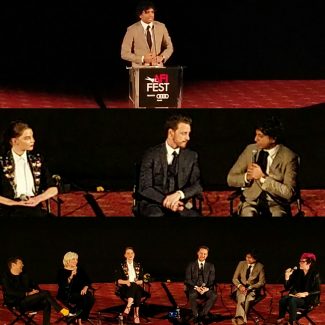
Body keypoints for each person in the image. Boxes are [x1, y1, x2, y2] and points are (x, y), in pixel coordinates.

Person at [227, 116, 299, 217]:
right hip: (251, 202)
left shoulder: (289, 157)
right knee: (249, 215)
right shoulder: (250, 150)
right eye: (256, 135)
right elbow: (230, 178)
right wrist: (246, 177)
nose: (255, 139)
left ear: (273, 138)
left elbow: (289, 193)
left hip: (276, 204)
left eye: (260, 136)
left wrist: (263, 178)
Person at [138, 114, 202, 217]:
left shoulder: (191, 156)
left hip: (180, 203)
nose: (188, 138)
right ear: (171, 133)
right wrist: (167, 201)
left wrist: (179, 194)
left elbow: (197, 185)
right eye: (184, 133)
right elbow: (145, 187)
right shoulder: (151, 154)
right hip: (153, 203)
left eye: (189, 133)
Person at [0, 120, 58, 217]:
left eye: (32, 137)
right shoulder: (1, 162)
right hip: (8, 209)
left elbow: (53, 188)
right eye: (27, 138)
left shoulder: (37, 160)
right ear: (14, 141)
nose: (33, 140)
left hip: (34, 206)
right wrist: (14, 203)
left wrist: (37, 199)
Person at [2, 257, 72, 325]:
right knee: (45, 293)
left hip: (27, 301)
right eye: (20, 263)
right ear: (13, 265)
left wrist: (36, 291)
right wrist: (27, 293)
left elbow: (34, 285)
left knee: (46, 302)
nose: (23, 265)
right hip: (16, 303)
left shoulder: (24, 275)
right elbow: (10, 292)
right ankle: (62, 310)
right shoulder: (6, 277)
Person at [121, 1, 173, 67]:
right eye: (147, 12)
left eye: (152, 12)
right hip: (139, 70)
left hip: (158, 69)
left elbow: (169, 47)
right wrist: (142, 58)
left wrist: (162, 57)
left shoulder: (161, 27)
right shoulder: (131, 29)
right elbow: (124, 53)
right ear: (140, 15)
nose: (151, 15)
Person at [277, 252, 321, 325]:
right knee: (283, 300)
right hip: (296, 296)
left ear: (309, 263)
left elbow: (318, 291)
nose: (299, 263)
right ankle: (281, 317)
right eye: (300, 261)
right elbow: (287, 287)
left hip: (308, 299)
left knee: (292, 300)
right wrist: (287, 277)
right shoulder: (297, 273)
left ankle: (292, 321)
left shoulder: (315, 274)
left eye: (302, 261)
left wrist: (306, 293)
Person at [57, 251, 95, 325]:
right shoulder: (61, 271)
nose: (76, 261)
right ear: (68, 261)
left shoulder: (80, 269)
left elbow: (88, 280)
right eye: (73, 259)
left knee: (91, 298)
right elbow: (63, 285)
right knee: (83, 299)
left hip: (81, 291)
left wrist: (85, 288)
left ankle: (82, 317)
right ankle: (78, 319)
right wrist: (71, 276)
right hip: (68, 293)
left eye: (76, 259)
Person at [231, 250, 266, 325]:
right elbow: (234, 278)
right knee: (242, 296)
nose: (247, 259)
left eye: (249, 258)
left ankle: (239, 320)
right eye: (246, 257)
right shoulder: (241, 263)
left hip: (252, 290)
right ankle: (242, 321)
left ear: (255, 259)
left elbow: (261, 282)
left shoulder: (260, 266)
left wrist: (250, 288)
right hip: (240, 289)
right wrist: (240, 286)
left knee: (248, 298)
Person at [184, 246, 217, 323]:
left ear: (207, 255)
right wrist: (197, 287)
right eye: (201, 253)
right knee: (192, 295)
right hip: (194, 288)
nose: (203, 255)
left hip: (206, 288)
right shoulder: (191, 265)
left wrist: (206, 288)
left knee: (214, 295)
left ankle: (202, 314)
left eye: (205, 254)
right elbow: (188, 279)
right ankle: (195, 314)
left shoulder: (211, 266)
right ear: (197, 253)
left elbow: (212, 280)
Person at [116, 247, 147, 324]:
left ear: (134, 255)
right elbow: (118, 280)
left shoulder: (138, 265)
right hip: (125, 288)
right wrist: (126, 281)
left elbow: (142, 279)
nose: (130, 255)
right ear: (125, 255)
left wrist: (140, 281)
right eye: (128, 253)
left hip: (135, 287)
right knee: (136, 289)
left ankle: (128, 307)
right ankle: (136, 315)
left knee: (135, 287)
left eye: (132, 253)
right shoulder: (121, 265)